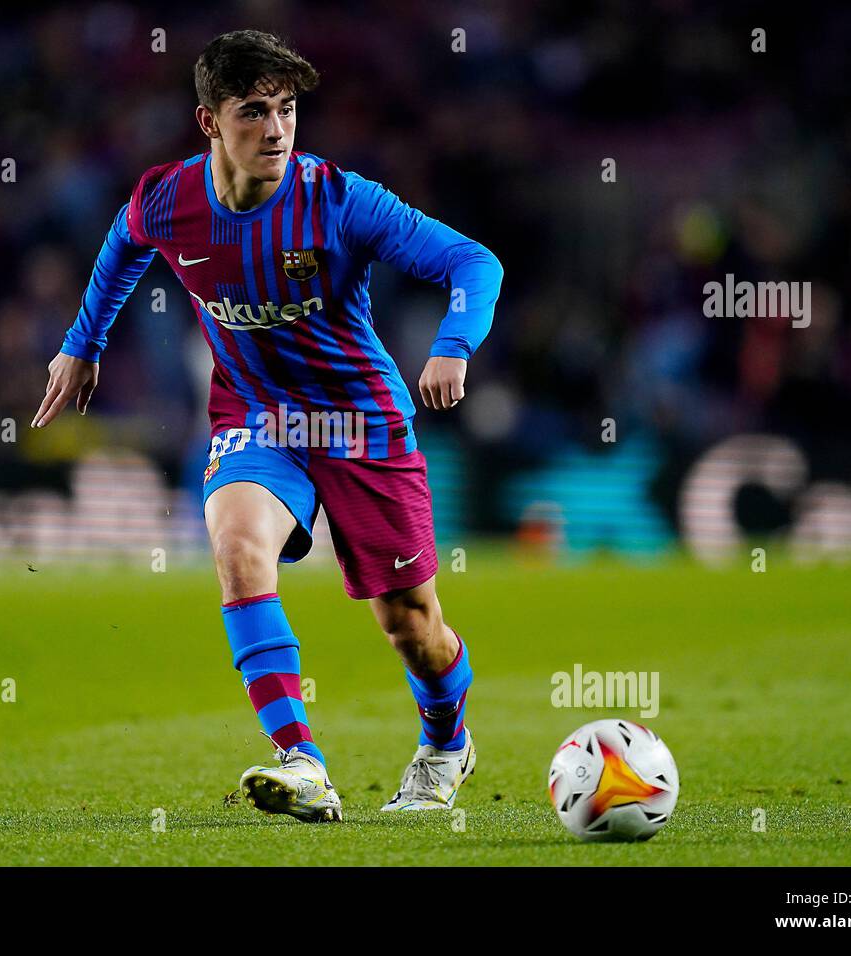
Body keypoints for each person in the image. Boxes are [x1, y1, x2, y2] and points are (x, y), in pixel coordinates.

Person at [33, 30, 502, 822]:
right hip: (255, 414)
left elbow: (474, 262)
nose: (277, 130)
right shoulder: (168, 199)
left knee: (411, 626)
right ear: (209, 121)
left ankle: (446, 744)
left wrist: (453, 345)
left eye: (286, 110)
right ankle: (303, 761)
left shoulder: (340, 200)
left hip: (359, 423)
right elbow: (121, 245)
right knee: (238, 548)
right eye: (254, 112)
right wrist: (83, 342)